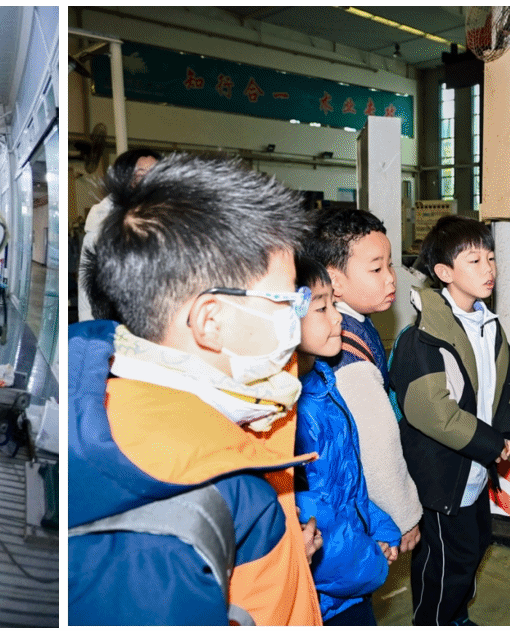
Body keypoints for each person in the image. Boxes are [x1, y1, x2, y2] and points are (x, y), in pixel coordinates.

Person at [69, 153, 322, 626]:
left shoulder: (120, 407)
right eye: (286, 300)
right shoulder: (185, 512)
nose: (298, 315)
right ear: (211, 321)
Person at [391, 215, 510, 626]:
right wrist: (490, 444)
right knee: (444, 565)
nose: (488, 269)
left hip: (475, 470)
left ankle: (456, 617)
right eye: (474, 260)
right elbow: (432, 411)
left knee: (474, 546)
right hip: (443, 477)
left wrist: (508, 432)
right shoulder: (424, 337)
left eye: (491, 257)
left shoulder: (487, 325)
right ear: (444, 272)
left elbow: (503, 387)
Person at [304, 207, 423, 557]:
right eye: (376, 268)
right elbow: (377, 448)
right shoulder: (346, 353)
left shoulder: (354, 323)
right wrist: (405, 516)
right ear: (335, 281)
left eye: (390, 265)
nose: (391, 278)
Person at [292, 256, 401, 626]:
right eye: (321, 308)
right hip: (324, 599)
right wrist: (371, 560)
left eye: (333, 305)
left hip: (349, 581)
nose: (337, 318)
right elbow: (314, 517)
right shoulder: (292, 415)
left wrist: (380, 525)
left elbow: (347, 483)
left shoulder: (323, 384)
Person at [75, 148, 161, 322]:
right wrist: (92, 328)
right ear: (124, 179)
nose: (149, 181)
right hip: (119, 324)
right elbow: (87, 290)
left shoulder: (171, 218)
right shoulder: (101, 223)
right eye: (140, 175)